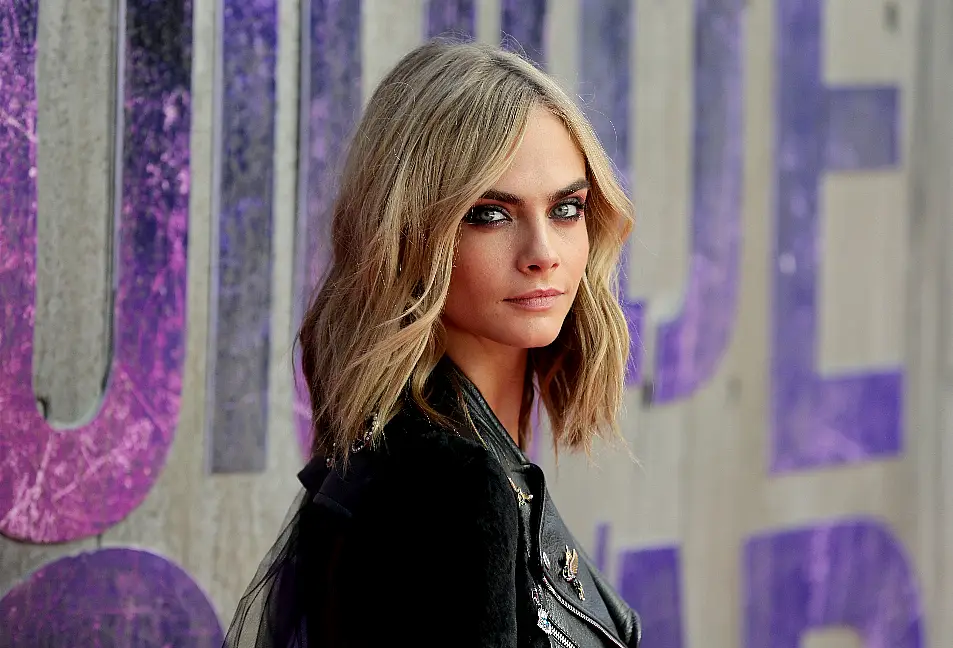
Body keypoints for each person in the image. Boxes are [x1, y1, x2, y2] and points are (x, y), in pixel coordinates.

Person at [224, 38, 642, 648]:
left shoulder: (448, 460)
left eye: (567, 208)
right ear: (409, 231)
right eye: (490, 214)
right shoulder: (452, 491)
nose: (543, 255)